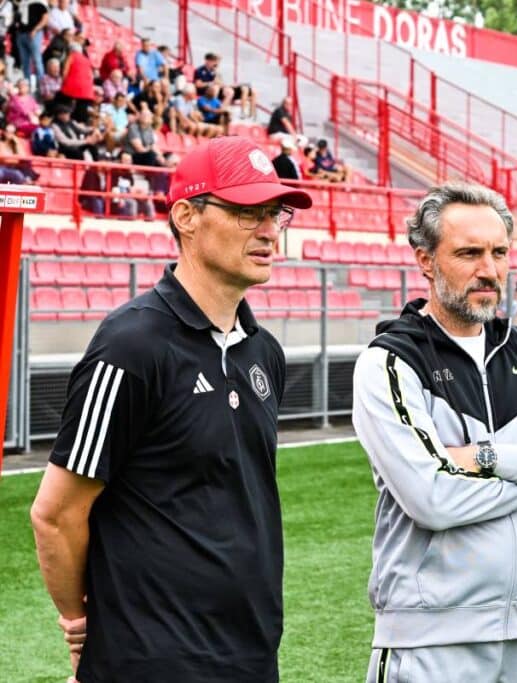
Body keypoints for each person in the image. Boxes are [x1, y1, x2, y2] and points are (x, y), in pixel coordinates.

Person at [30, 135, 313, 683]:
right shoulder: (131, 345)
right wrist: (80, 623)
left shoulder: (264, 352)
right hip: (150, 661)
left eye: (275, 214)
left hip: (252, 655)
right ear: (186, 216)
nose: (268, 230)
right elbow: (56, 514)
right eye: (246, 212)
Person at [352, 182, 517, 682]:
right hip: (431, 641)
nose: (489, 270)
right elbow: (433, 499)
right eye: (468, 253)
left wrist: (493, 458)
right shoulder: (389, 362)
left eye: (499, 253)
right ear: (426, 261)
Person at [14, 0, 48, 81]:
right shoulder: (22, 3)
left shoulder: (39, 2)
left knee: (37, 61)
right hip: (21, 34)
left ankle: (42, 86)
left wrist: (36, 29)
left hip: (33, 34)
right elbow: (18, 17)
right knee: (25, 62)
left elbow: (45, 18)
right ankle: (27, 87)